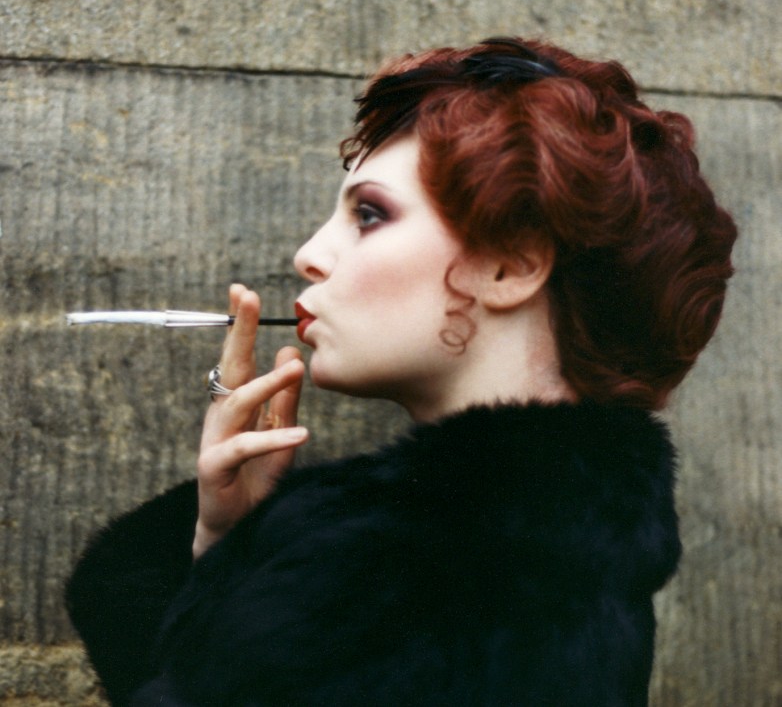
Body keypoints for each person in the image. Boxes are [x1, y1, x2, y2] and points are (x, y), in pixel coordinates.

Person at [66, 37, 737, 706]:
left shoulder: (396, 571)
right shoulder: (560, 560)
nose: (309, 255)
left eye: (369, 214)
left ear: (511, 266)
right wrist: (230, 549)